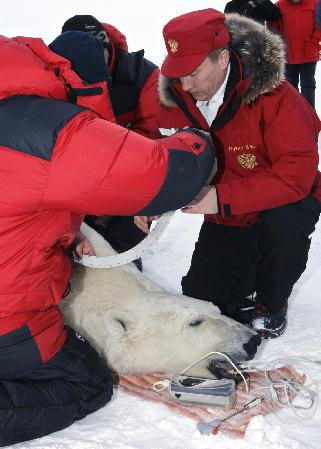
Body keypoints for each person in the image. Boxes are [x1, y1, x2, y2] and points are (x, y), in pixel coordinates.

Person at [0, 32, 215, 446]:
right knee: (86, 381)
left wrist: (65, 230)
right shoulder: (44, 126)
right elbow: (167, 174)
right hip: (8, 317)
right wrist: (201, 142)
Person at [136, 8, 321, 339]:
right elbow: (158, 151)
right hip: (228, 214)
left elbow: (295, 176)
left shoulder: (280, 99)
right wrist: (155, 197)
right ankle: (247, 270)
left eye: (193, 73)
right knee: (202, 297)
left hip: (282, 203)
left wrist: (220, 197)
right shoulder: (177, 97)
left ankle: (271, 303)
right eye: (178, 74)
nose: (185, 84)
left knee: (284, 228)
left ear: (222, 59)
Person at [57, 15, 162, 271]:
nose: (88, 66)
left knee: (120, 256)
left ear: (107, 48)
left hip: (130, 179)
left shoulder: (143, 75)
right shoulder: (61, 72)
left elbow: (152, 137)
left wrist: (112, 183)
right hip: (78, 180)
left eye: (96, 55)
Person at [268, 0, 321, 108]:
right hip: (288, 55)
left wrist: (314, 42)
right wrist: (281, 44)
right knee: (290, 86)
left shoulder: (314, 3)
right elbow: (272, 27)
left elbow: (320, 25)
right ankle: (294, 114)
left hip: (309, 54)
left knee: (308, 85)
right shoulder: (279, 6)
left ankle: (309, 114)